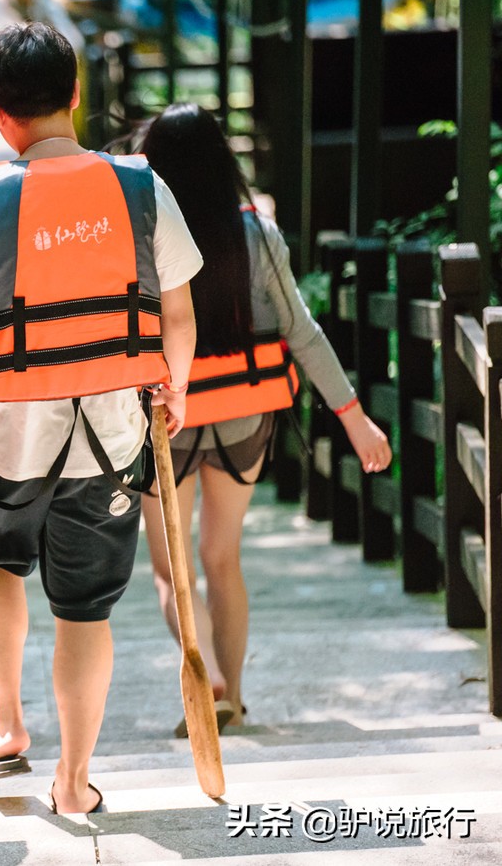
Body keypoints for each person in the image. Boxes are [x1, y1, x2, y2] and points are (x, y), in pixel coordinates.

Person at [0, 21, 201, 815]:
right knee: (85, 608)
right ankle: (74, 779)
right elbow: (178, 312)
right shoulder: (142, 187)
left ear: (0, 116)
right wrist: (176, 385)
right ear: (77, 96)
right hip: (113, 432)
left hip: (6, 435)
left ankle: (6, 723)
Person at [135, 103, 392, 736]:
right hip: (244, 411)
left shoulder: (139, 234)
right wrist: (354, 418)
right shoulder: (255, 232)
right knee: (223, 558)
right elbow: (303, 334)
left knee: (173, 569)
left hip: (164, 416)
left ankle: (207, 678)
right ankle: (236, 693)